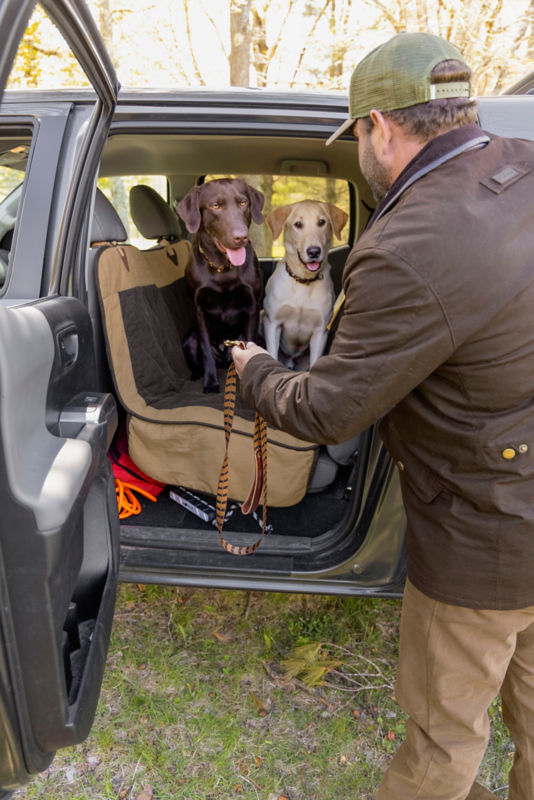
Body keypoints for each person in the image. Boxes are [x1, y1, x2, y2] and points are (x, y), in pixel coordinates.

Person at [231, 31, 534, 800]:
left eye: (355, 133)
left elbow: (327, 408)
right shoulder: (525, 167)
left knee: (442, 741)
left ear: (380, 128)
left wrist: (254, 368)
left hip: (487, 535)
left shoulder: (408, 243)